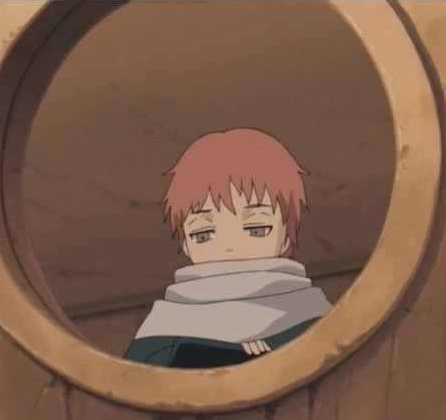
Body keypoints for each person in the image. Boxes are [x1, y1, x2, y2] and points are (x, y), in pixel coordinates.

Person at [124, 128, 332, 368]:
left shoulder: (318, 321)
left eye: (256, 229)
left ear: (285, 236)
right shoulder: (162, 330)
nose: (230, 248)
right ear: (186, 244)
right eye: (204, 234)